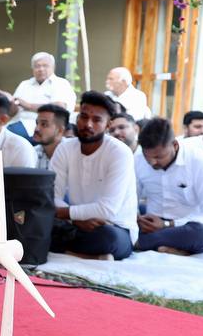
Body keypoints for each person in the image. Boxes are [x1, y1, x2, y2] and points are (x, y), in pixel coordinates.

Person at [49, 92, 138, 260]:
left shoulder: (120, 152)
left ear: (108, 125)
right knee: (35, 222)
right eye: (84, 117)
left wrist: (65, 213)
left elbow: (107, 209)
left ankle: (71, 251)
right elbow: (52, 196)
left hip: (113, 227)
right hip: (74, 224)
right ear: (77, 118)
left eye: (97, 120)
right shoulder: (65, 148)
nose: (88, 124)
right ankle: (86, 254)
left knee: (108, 239)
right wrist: (75, 219)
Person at [134, 117, 203, 256]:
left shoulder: (199, 161)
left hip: (184, 227)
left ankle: (140, 243)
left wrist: (168, 224)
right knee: (118, 228)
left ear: (174, 145)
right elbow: (130, 198)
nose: (152, 163)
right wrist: (138, 219)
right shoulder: (138, 159)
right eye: (148, 157)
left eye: (158, 157)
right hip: (149, 226)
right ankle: (163, 246)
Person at [13, 52, 76, 136]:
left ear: (53, 67)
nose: (41, 69)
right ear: (32, 68)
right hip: (16, 122)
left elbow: (59, 107)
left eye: (45, 66)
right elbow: (14, 106)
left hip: (42, 127)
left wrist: (28, 105)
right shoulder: (24, 84)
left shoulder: (61, 83)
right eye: (37, 66)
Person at [32, 104, 69, 170]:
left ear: (60, 130)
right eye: (37, 123)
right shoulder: (32, 152)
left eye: (44, 124)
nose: (36, 129)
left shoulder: (71, 153)